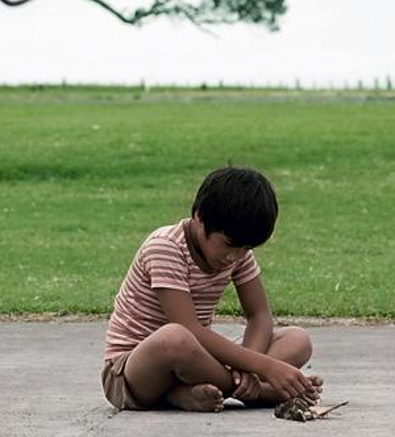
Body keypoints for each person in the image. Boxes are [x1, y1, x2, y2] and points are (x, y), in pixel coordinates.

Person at [101, 166, 322, 412]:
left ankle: (182, 394)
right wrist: (266, 369)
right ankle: (258, 393)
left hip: (196, 362)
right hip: (133, 372)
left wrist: (247, 367)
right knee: (174, 338)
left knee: (297, 339)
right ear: (200, 217)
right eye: (229, 244)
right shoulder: (165, 247)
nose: (234, 257)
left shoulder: (237, 254)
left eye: (246, 248)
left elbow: (259, 316)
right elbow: (188, 328)